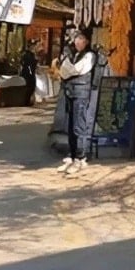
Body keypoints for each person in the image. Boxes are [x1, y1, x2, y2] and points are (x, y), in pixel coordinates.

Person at [55, 28, 95, 176]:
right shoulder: (72, 54)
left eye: (82, 39)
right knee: (71, 125)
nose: (78, 42)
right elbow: (63, 70)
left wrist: (66, 68)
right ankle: (72, 156)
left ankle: (81, 157)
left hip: (81, 92)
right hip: (70, 92)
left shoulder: (89, 56)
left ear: (87, 42)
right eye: (77, 39)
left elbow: (75, 70)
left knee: (79, 125)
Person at [20, 42, 38, 106]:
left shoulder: (27, 54)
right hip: (28, 72)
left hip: (28, 72)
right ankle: (26, 101)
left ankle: (27, 100)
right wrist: (30, 72)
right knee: (30, 86)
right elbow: (29, 65)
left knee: (30, 87)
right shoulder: (28, 55)